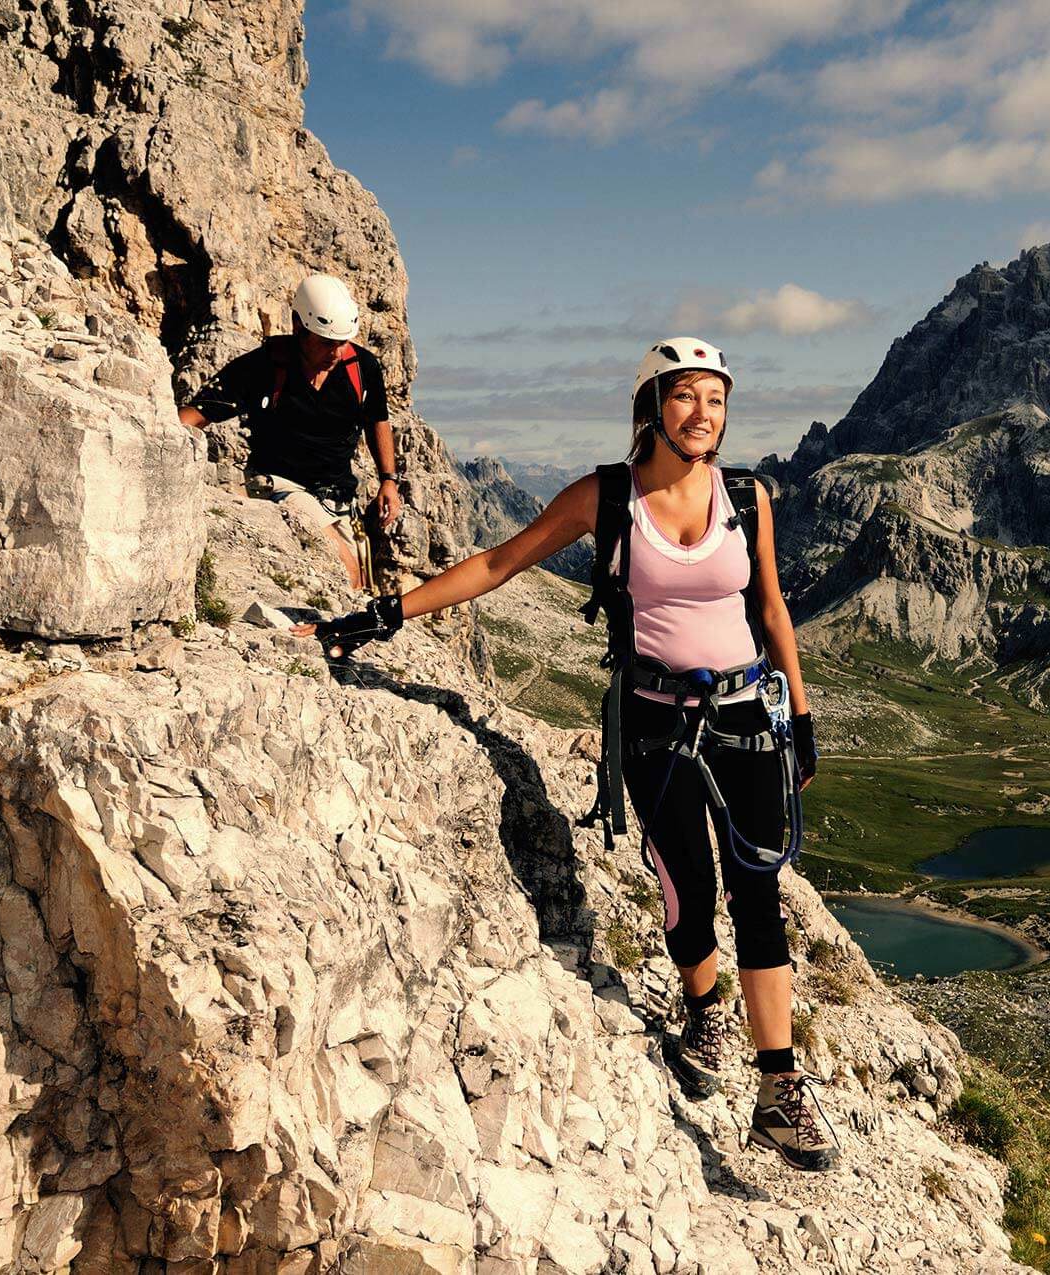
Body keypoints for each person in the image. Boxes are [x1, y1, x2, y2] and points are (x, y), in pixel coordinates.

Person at [298, 338, 836, 1171]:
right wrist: (385, 614)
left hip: (744, 719)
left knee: (758, 894)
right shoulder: (606, 497)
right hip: (656, 724)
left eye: (717, 400)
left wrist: (799, 715)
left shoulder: (747, 497)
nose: (704, 414)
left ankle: (778, 1088)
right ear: (652, 404)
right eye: (687, 396)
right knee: (690, 892)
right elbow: (499, 561)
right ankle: (704, 1008)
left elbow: (770, 605)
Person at [180, 273, 402, 589]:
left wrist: (388, 481)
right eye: (327, 343)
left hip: (337, 496)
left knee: (359, 585)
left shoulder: (361, 367)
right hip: (278, 484)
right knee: (346, 571)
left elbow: (377, 420)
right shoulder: (263, 368)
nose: (336, 354)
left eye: (342, 343)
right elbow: (200, 413)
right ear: (299, 326)